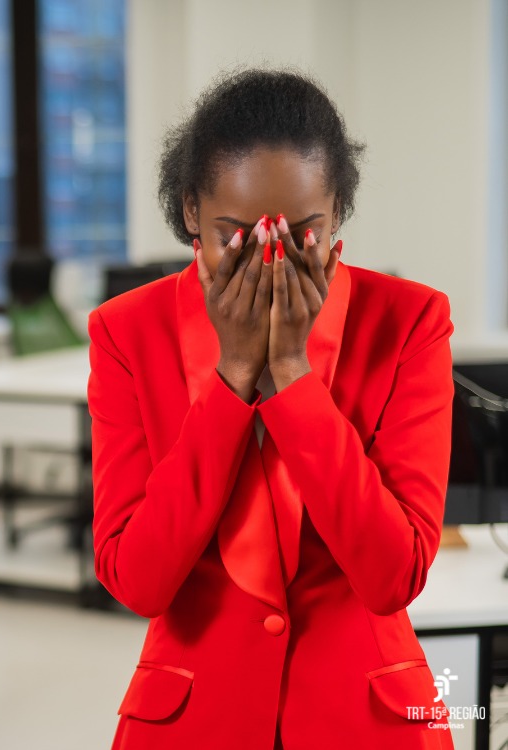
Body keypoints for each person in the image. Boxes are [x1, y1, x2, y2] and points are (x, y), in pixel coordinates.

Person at [88, 69, 457, 750]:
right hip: (194, 719)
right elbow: (138, 580)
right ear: (191, 211)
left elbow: (391, 576)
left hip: (365, 719)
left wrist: (292, 376)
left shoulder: (408, 322)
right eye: (236, 231)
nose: (269, 255)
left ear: (338, 210)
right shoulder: (127, 332)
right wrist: (232, 380)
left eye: (302, 231)